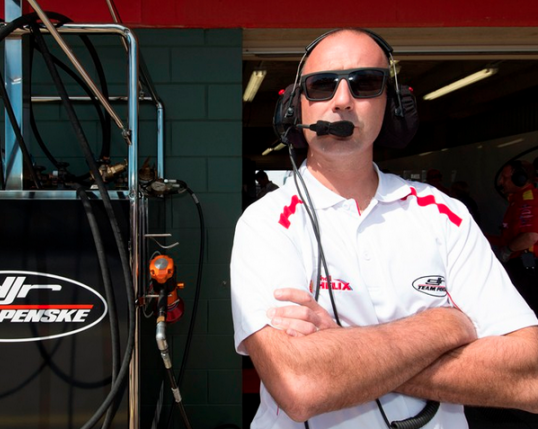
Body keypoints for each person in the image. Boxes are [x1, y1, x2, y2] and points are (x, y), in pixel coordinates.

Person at [230, 28, 538, 429]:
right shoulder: (266, 223)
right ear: (295, 108)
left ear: (392, 105)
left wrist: (344, 357)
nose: (342, 101)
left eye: (365, 84)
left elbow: (528, 377)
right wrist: (445, 326)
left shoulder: (445, 214)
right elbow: (301, 385)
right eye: (321, 86)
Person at [496, 160, 538, 312]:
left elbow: (531, 236)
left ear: (519, 178)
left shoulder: (529, 200)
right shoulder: (518, 200)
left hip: (528, 269)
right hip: (522, 267)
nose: (501, 182)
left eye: (505, 178)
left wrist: (507, 250)